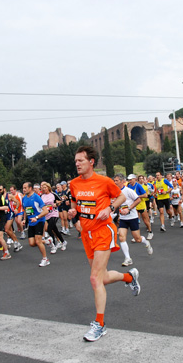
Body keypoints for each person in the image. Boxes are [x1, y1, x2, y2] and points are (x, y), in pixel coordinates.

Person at [68, 146, 140, 342]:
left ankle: (100, 324)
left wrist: (110, 208)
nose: (77, 164)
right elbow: (75, 203)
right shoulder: (74, 184)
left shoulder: (104, 181)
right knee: (102, 277)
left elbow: (122, 196)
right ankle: (128, 277)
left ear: (91, 162)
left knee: (94, 279)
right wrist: (73, 213)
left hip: (103, 231)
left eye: (80, 161)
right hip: (87, 234)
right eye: (76, 161)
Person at [113, 174, 153, 267]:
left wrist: (129, 209)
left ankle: (146, 242)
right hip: (123, 218)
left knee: (137, 239)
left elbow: (138, 200)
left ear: (123, 181)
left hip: (132, 217)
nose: (115, 182)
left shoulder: (128, 191)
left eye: (117, 180)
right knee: (122, 237)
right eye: (114, 181)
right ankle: (128, 258)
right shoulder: (115, 192)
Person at [21, 182, 50, 266]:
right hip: (31, 222)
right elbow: (26, 210)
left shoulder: (37, 197)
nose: (24, 189)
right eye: (23, 188)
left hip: (39, 221)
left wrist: (36, 218)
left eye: (25, 188)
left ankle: (45, 259)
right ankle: (47, 241)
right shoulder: (24, 198)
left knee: (38, 241)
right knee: (31, 243)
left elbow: (45, 210)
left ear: (30, 188)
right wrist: (24, 219)